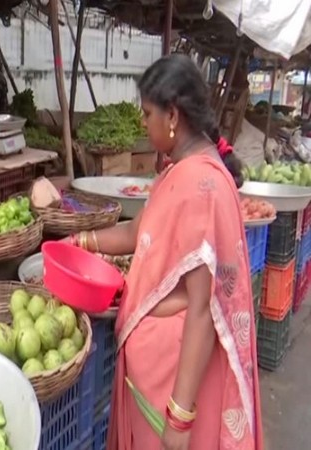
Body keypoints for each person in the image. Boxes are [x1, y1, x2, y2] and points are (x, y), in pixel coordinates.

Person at [67, 55, 263, 450]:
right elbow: (140, 232)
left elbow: (204, 308)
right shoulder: (180, 170)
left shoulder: (201, 186)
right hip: (153, 373)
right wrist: (82, 242)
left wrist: (180, 414)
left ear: (172, 115)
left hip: (174, 381)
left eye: (147, 113)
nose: (143, 122)